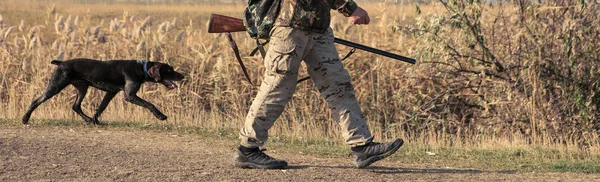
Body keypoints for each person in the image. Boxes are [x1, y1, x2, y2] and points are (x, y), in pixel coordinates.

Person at [234, 0, 403, 169]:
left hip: (318, 29)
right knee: (277, 87)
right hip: (290, 26)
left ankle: (361, 145)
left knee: (338, 85)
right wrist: (349, 7)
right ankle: (248, 148)